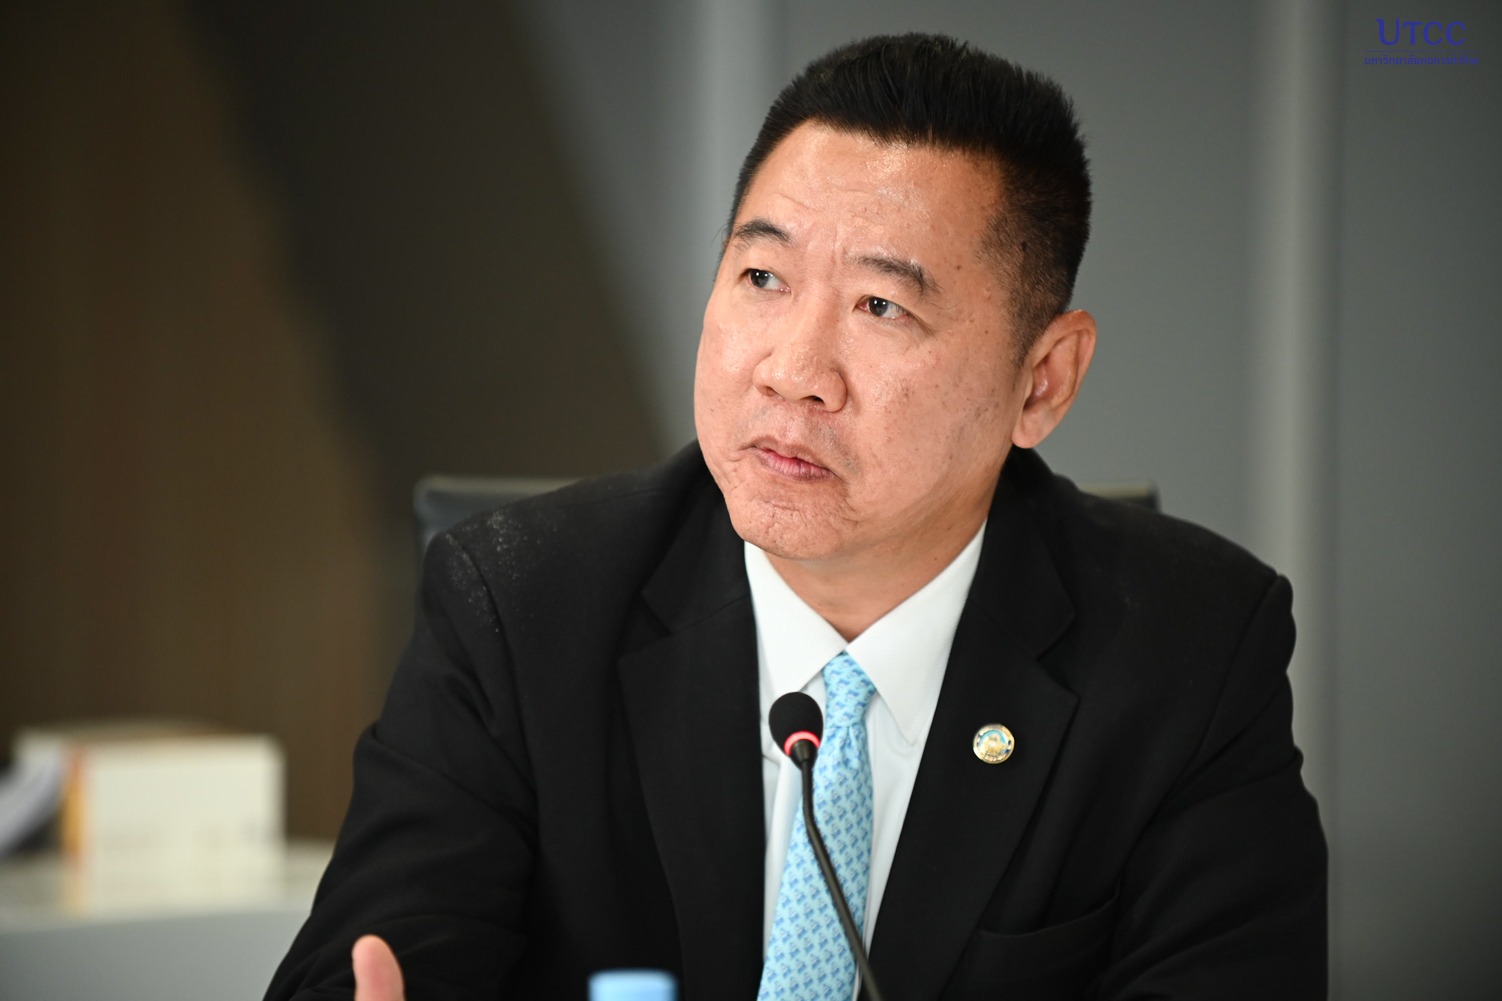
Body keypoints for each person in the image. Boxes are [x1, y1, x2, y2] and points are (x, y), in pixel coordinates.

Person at [266, 33, 1326, 1001]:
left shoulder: (1188, 656)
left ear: (1041, 381)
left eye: (881, 305)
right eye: (762, 276)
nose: (792, 370)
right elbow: (373, 961)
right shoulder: (519, 611)